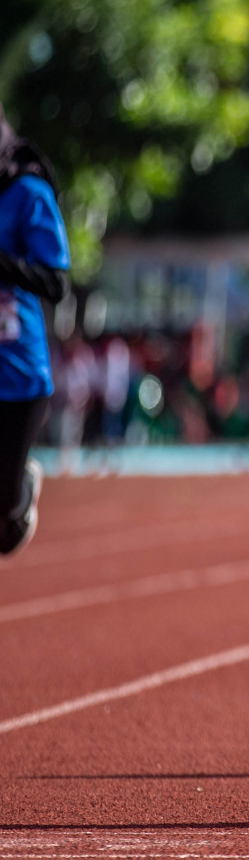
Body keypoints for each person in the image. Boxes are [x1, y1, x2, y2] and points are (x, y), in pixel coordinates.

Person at [0, 103, 70, 558]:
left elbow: (56, 282)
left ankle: (18, 488)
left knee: (3, 521)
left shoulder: (28, 193)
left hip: (19, 374)